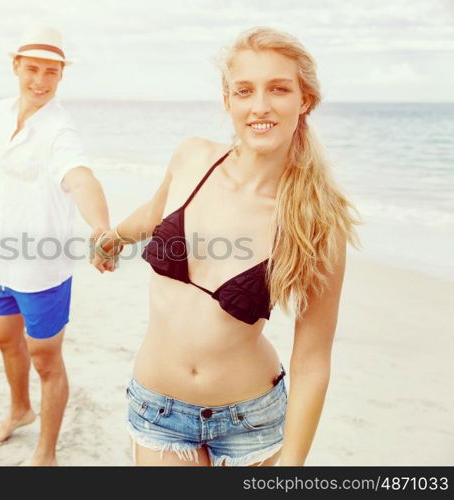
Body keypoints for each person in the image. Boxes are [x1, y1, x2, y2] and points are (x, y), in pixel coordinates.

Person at [92, 26, 360, 466]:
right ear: (228, 100)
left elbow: (312, 360)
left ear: (304, 99)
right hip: (158, 409)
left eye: (278, 88)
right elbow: (153, 212)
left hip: (249, 421)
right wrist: (113, 238)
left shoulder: (317, 223)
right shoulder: (193, 159)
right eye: (244, 90)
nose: (260, 106)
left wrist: (292, 466)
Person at [0, 26, 112, 466]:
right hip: (2, 263)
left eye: (52, 72)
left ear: (61, 75)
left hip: (42, 271)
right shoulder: (1, 111)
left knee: (45, 360)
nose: (41, 81)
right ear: (16, 66)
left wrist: (102, 228)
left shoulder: (59, 131)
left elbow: (81, 178)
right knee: (4, 340)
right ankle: (20, 409)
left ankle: (45, 453)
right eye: (33, 69)